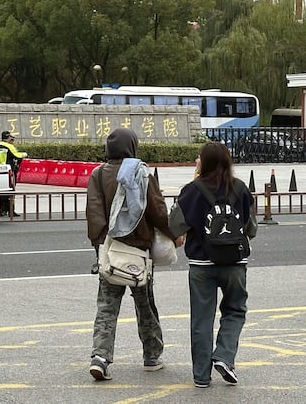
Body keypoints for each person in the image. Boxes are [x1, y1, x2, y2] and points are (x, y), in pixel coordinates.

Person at [85, 128, 180, 381]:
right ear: (132, 147)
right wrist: (174, 234)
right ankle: (151, 356)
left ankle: (100, 357)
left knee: (106, 307)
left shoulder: (96, 175)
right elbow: (157, 211)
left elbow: (94, 213)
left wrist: (100, 246)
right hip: (139, 253)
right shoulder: (141, 173)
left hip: (111, 251)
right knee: (145, 304)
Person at [169, 142, 255, 388]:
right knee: (235, 310)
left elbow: (175, 226)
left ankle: (201, 377)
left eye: (198, 158)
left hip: (201, 264)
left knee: (202, 319)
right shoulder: (240, 189)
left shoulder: (191, 191)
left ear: (204, 162)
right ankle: (224, 357)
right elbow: (251, 228)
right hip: (235, 263)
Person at [0, 130, 28, 216]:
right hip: (9, 172)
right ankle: (11, 211)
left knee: (0, 191)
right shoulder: (9, 146)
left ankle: (1, 210)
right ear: (8, 138)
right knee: (11, 191)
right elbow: (17, 156)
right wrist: (25, 154)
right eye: (10, 138)